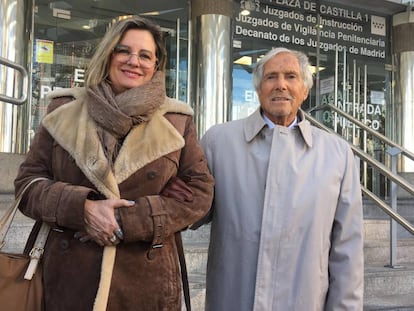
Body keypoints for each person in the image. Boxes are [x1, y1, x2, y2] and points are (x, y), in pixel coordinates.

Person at [14, 16, 214, 311]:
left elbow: (199, 193)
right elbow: (27, 186)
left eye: (145, 55)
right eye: (124, 51)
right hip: (69, 279)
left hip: (146, 280)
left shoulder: (177, 120)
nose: (134, 61)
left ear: (155, 66)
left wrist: (128, 221)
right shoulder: (64, 110)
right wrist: (82, 209)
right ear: (108, 54)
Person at [199, 47, 364, 310]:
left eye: (291, 76)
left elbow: (348, 248)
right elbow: (192, 212)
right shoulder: (218, 141)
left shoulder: (337, 153)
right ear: (258, 88)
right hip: (232, 299)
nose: (281, 85)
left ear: (305, 91)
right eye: (271, 77)